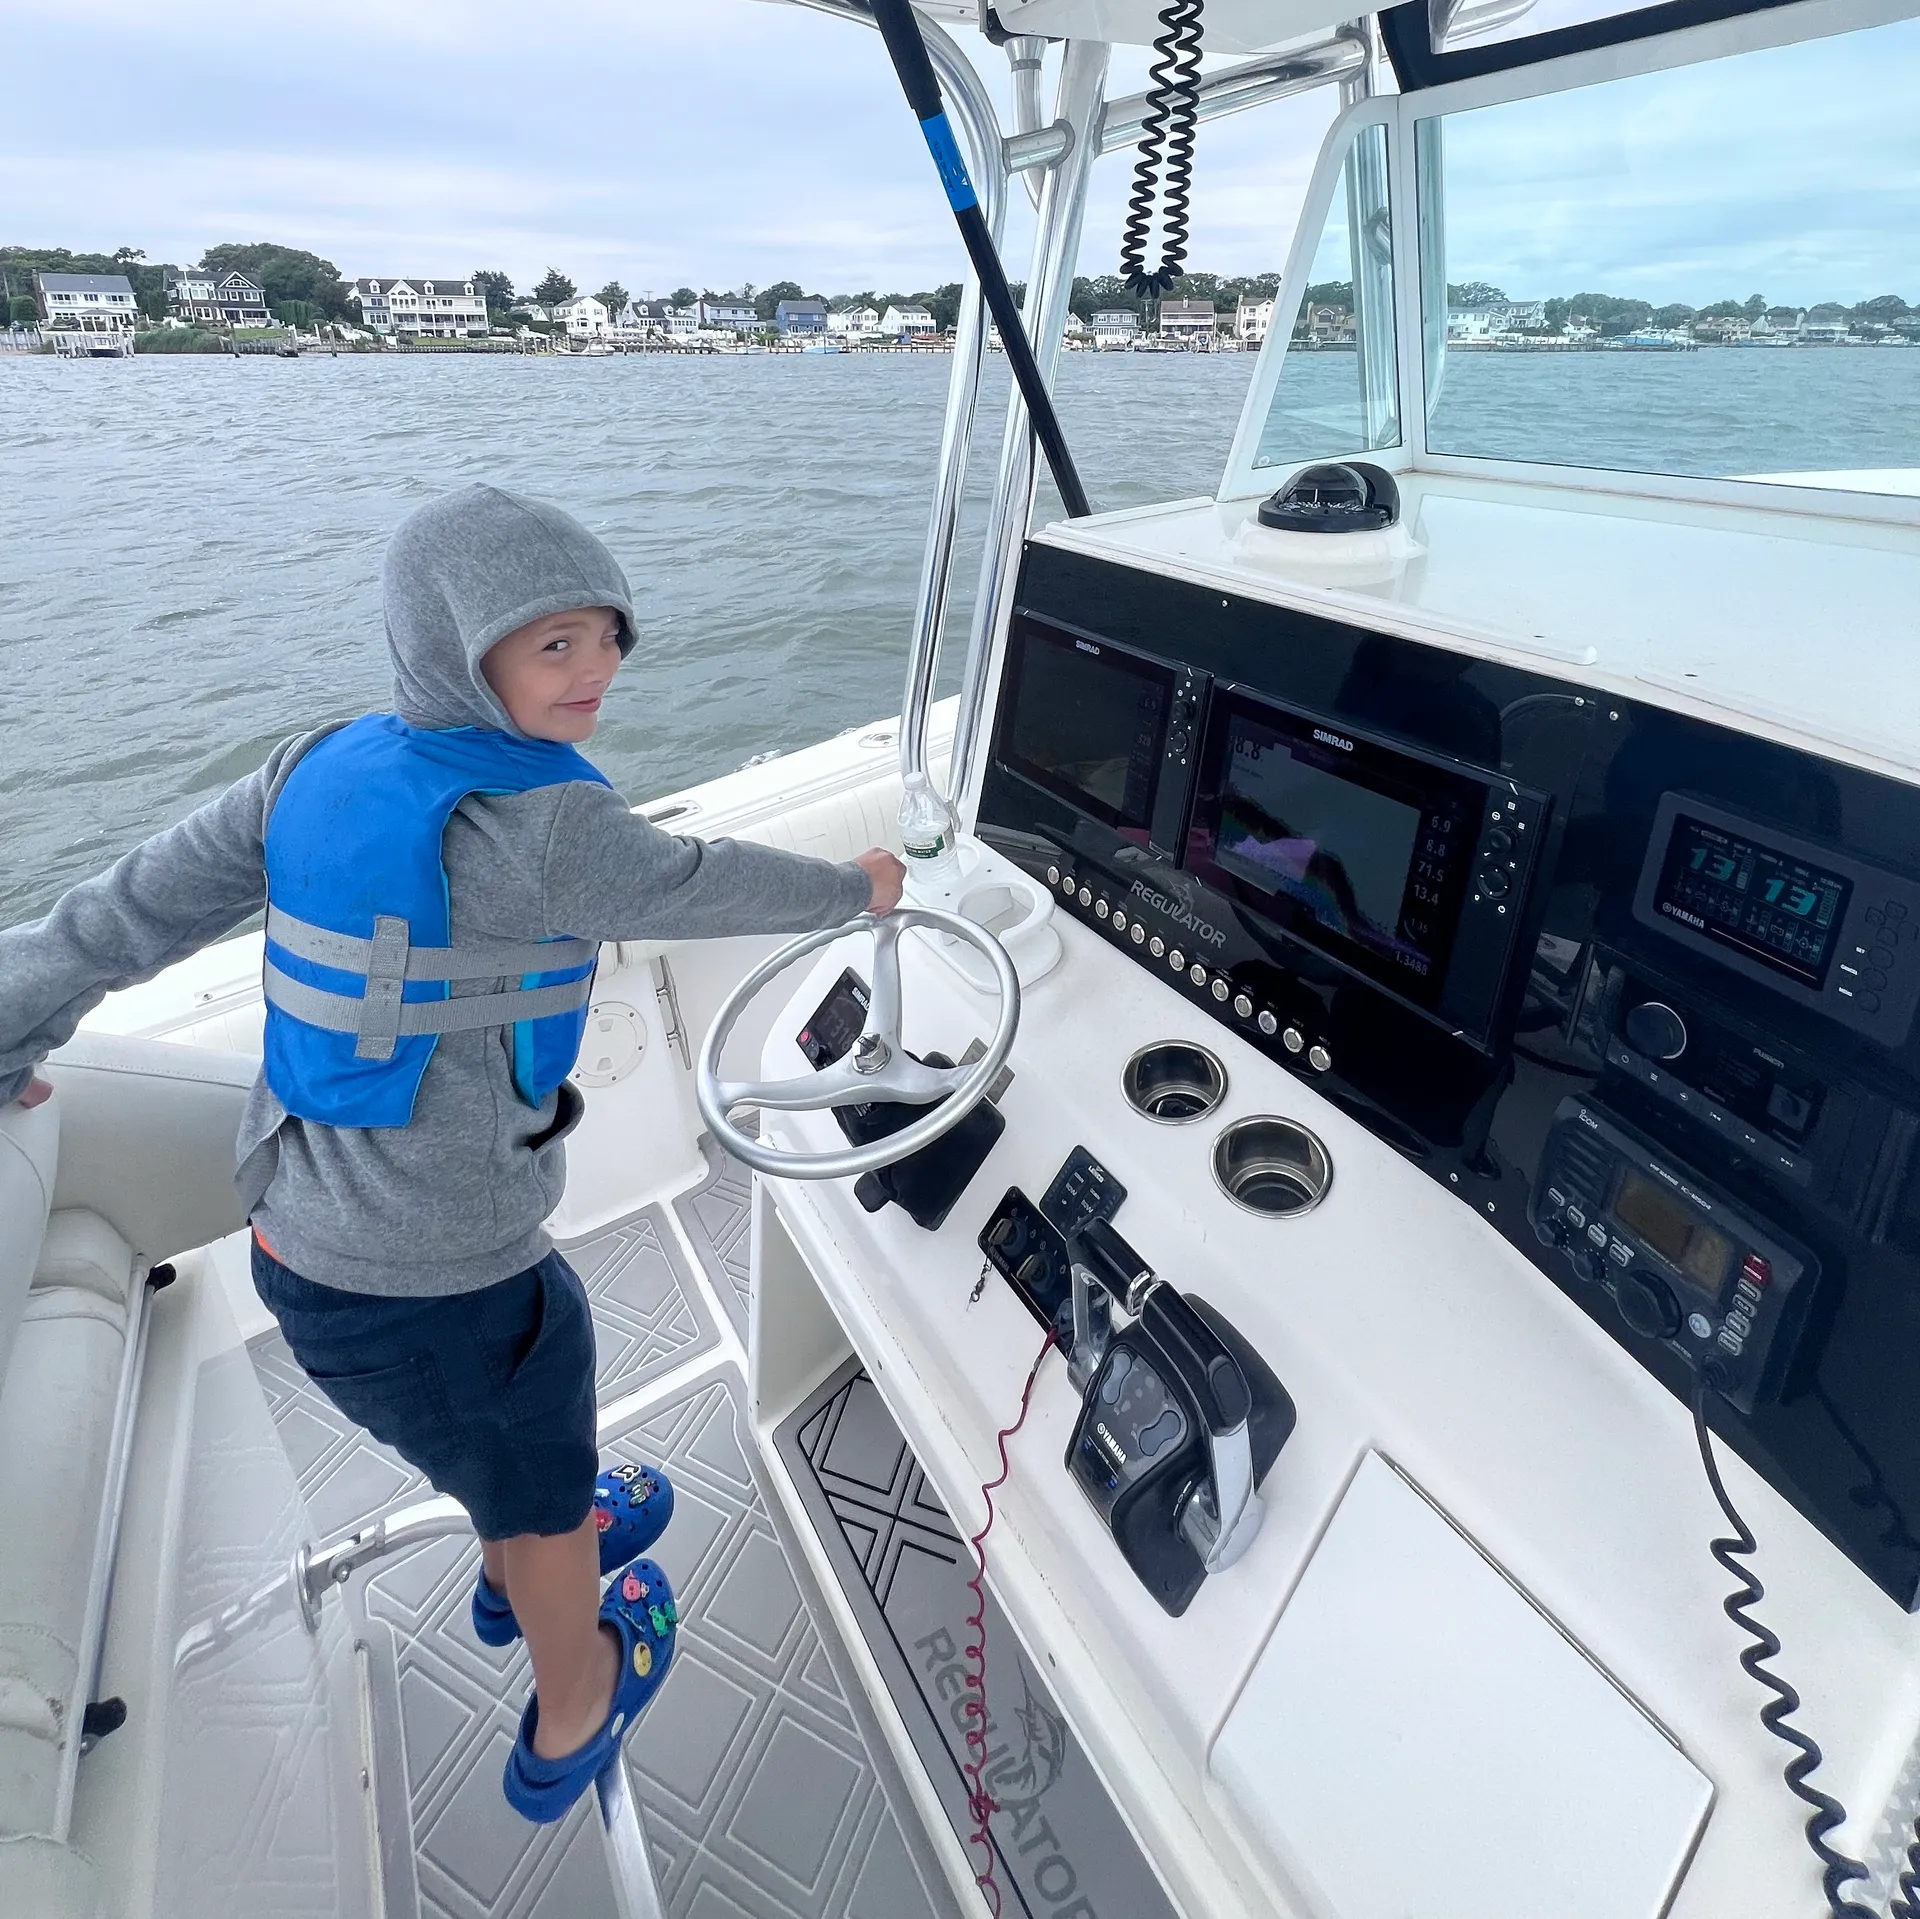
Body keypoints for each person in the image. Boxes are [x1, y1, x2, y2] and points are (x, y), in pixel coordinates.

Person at [0, 485, 906, 1820]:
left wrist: (14, 1025)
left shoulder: (304, 768)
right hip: (446, 1284)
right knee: (542, 1457)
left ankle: (520, 1539)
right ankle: (575, 1688)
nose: (595, 667)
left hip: (299, 1242)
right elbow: (704, 882)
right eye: (551, 644)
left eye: (607, 633)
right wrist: (861, 888)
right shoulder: (556, 829)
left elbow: (124, 911)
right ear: (454, 648)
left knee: (504, 1434)